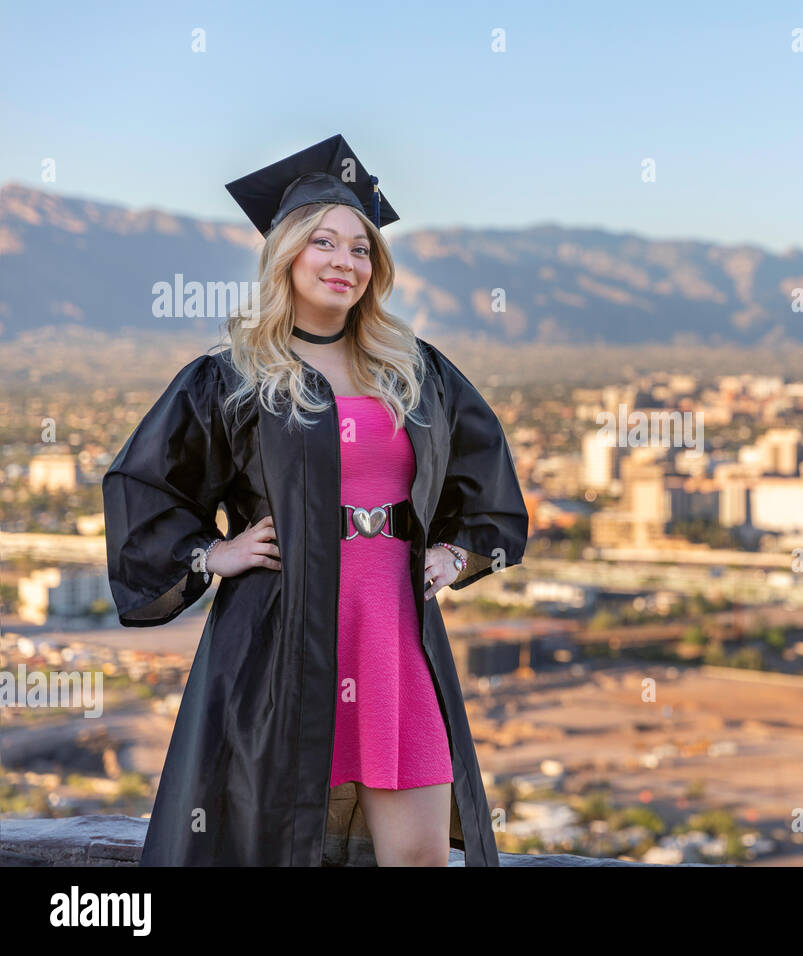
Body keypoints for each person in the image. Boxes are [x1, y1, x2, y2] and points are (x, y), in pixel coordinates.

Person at [102, 134, 529, 866]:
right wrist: (213, 554)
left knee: (420, 857)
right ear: (287, 256)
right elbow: (141, 486)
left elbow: (488, 488)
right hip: (277, 642)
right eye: (325, 243)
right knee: (269, 844)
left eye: (361, 249)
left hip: (394, 634)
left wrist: (457, 554)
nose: (345, 262)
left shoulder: (416, 372)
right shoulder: (232, 378)